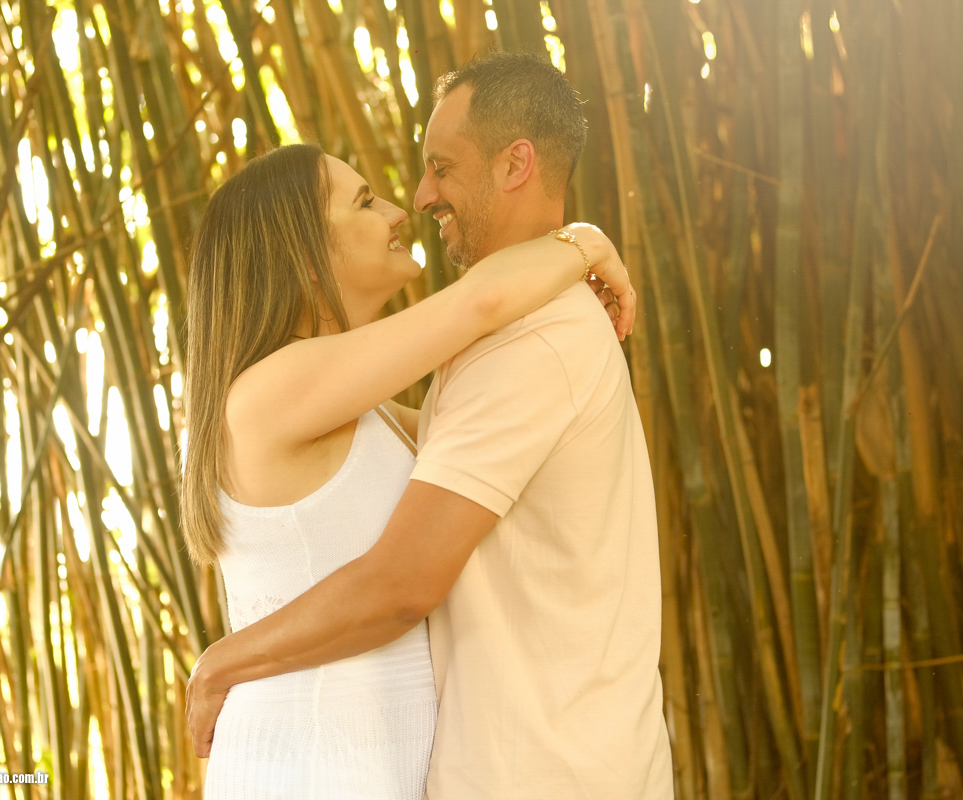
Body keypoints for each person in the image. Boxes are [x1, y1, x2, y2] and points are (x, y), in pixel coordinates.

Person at [186, 52, 673, 799]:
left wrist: (226, 658)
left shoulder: (474, 363)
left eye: (436, 169)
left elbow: (407, 568)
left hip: (420, 764)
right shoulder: (276, 390)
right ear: (300, 251)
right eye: (364, 202)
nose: (408, 204)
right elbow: (474, 305)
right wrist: (581, 244)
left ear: (515, 164)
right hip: (314, 761)